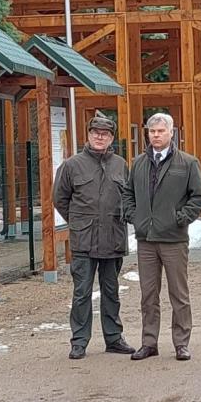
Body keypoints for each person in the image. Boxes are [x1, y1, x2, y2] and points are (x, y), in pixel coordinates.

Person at [122, 112, 201, 362]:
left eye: (161, 131)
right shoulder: (138, 163)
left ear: (171, 132)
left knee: (179, 294)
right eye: (152, 131)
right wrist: (134, 216)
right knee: (148, 295)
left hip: (174, 239)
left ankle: (181, 343)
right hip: (146, 239)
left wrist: (181, 218)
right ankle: (149, 343)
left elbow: (198, 197)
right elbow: (128, 193)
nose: (156, 135)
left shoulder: (187, 163)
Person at [53, 114, 135, 360]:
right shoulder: (71, 165)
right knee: (82, 293)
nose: (100, 137)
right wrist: (79, 222)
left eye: (105, 134)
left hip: (113, 238)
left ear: (111, 138)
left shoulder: (120, 164)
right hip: (84, 241)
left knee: (111, 291)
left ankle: (114, 338)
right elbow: (60, 199)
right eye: (95, 133)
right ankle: (79, 341)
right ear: (88, 135)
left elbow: (128, 197)